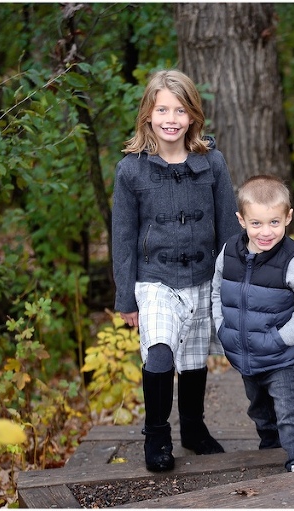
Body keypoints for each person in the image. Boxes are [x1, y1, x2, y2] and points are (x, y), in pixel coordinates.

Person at [111, 69, 242, 472]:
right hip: (153, 279)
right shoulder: (131, 170)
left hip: (204, 277)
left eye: (180, 110)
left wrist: (234, 282)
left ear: (192, 117)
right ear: (148, 114)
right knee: (161, 352)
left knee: (193, 358)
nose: (171, 118)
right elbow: (122, 237)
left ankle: (193, 428)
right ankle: (156, 436)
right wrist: (125, 297)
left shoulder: (211, 162)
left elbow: (228, 226)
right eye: (162, 109)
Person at [211, 175, 294, 472]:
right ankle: (270, 446)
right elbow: (217, 289)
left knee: (288, 410)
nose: (265, 232)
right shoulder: (229, 252)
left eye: (274, 222)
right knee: (259, 408)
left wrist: (281, 339)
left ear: (288, 217)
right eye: (256, 223)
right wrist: (223, 329)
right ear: (242, 220)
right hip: (244, 352)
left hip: (281, 354)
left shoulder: (293, 260)